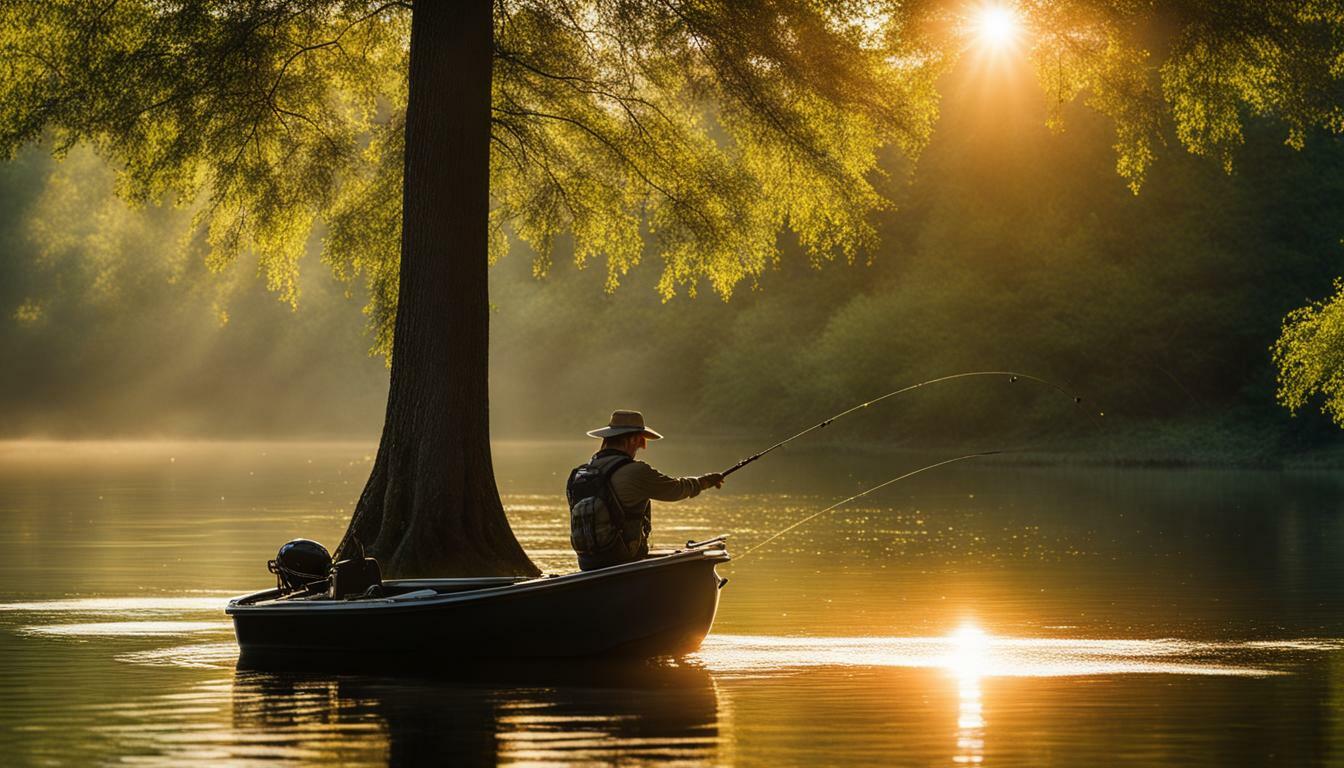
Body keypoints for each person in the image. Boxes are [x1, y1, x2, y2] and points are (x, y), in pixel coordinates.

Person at [567, 410, 724, 571]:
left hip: (587, 563)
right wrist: (704, 482)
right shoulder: (636, 471)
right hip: (621, 559)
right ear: (633, 439)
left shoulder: (581, 474)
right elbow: (676, 490)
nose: (640, 447)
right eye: (640, 442)